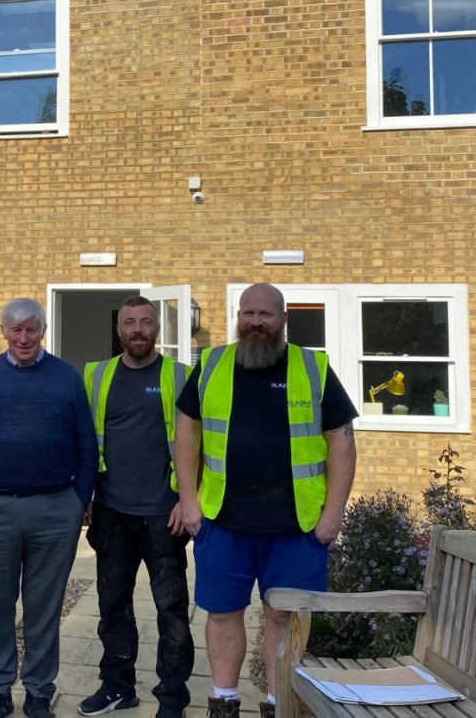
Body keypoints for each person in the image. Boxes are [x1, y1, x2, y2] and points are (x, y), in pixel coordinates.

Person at [173, 283, 358, 718]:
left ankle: (279, 704)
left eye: (266, 314)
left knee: (283, 617)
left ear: (284, 319)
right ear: (238, 317)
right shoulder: (211, 364)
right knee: (223, 614)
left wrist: (333, 513)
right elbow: (186, 433)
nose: (256, 322)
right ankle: (223, 701)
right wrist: (188, 500)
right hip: (222, 520)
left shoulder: (313, 367)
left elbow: (342, 442)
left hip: (297, 526)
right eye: (248, 313)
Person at [0, 298, 99, 718]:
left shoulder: (67, 377)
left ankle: (38, 691)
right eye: (15, 329)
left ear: (43, 332)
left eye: (31, 329)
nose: (23, 337)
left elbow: (87, 446)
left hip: (54, 511)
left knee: (44, 608)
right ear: (4, 332)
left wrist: (78, 499)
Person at [80, 296, 193, 718]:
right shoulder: (96, 375)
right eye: (130, 323)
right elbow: (85, 440)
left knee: (172, 612)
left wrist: (187, 499)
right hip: (111, 511)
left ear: (157, 329)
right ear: (119, 330)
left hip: (165, 515)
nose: (138, 330)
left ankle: (173, 699)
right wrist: (86, 494)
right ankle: (117, 687)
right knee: (113, 607)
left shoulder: (181, 376)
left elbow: (199, 444)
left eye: (146, 322)